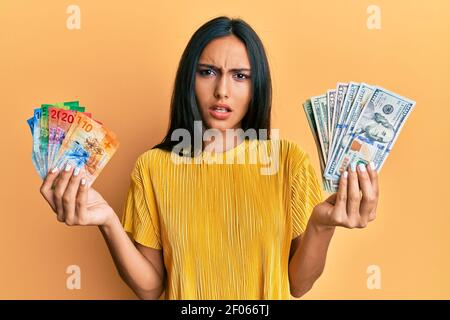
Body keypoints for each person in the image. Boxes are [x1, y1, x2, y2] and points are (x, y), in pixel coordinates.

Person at [39, 16, 379, 300]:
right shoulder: (153, 167)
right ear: (190, 79)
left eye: (240, 76)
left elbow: (298, 284)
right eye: (208, 72)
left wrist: (321, 226)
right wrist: (108, 222)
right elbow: (151, 287)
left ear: (256, 86)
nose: (222, 90)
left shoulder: (288, 160)